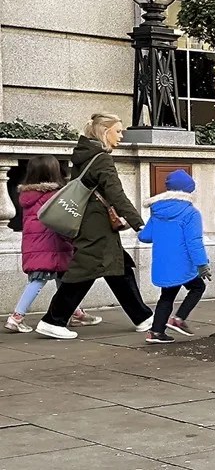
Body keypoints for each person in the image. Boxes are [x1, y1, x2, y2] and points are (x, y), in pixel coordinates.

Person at [36, 113, 153, 340]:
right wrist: (139, 224)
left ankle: (142, 317)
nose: (121, 136)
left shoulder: (85, 155)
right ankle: (53, 320)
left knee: (119, 268)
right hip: (96, 226)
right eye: (117, 131)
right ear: (104, 131)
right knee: (85, 271)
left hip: (94, 223)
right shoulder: (101, 159)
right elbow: (116, 195)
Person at [5, 155, 101, 333]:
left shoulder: (28, 196)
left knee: (63, 280)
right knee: (38, 280)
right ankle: (16, 317)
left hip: (38, 245)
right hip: (50, 245)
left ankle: (76, 312)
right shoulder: (54, 195)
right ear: (54, 172)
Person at [138, 169, 211, 344]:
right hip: (184, 264)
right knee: (198, 287)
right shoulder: (191, 213)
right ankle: (178, 319)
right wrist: (202, 264)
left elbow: (145, 237)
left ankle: (156, 332)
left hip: (164, 263)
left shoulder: (157, 211)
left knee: (167, 296)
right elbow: (194, 242)